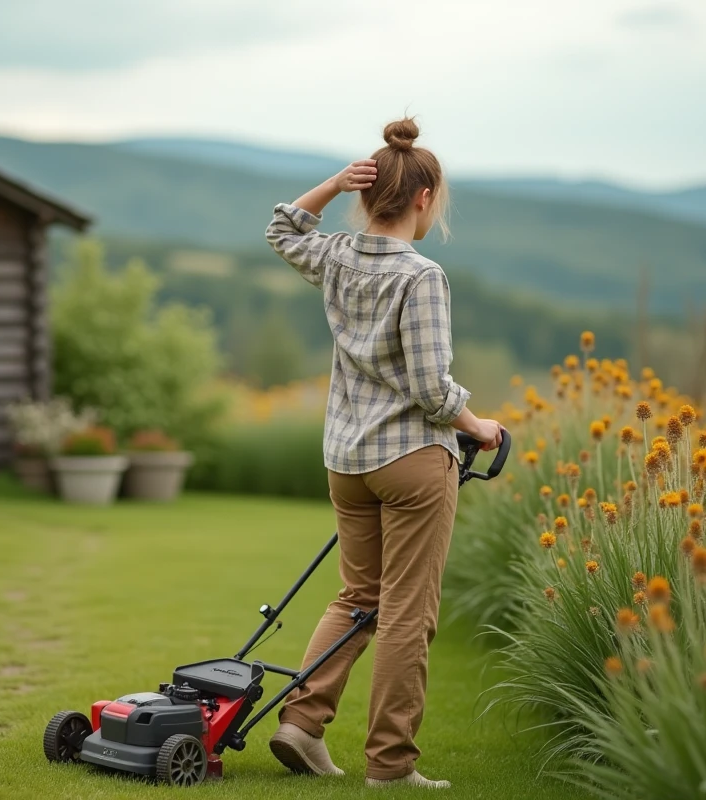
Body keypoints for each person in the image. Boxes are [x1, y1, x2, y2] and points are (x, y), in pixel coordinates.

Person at [263, 118, 504, 790]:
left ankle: (301, 726)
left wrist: (334, 184)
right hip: (411, 463)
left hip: (346, 461)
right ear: (423, 199)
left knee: (357, 597)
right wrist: (479, 424)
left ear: (369, 195)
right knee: (407, 612)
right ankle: (391, 767)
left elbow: (283, 229)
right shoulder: (422, 276)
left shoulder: (337, 254)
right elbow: (431, 388)